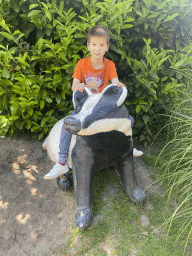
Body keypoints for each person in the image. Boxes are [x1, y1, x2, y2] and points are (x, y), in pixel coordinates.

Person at [44, 25, 143, 180]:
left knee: (129, 120)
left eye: (102, 45)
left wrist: (119, 85)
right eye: (94, 44)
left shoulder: (109, 65)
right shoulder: (81, 64)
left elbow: (115, 81)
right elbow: (74, 86)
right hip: (86, 105)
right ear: (88, 46)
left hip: (101, 106)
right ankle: (62, 162)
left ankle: (128, 148)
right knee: (66, 126)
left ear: (107, 47)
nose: (98, 48)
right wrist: (79, 86)